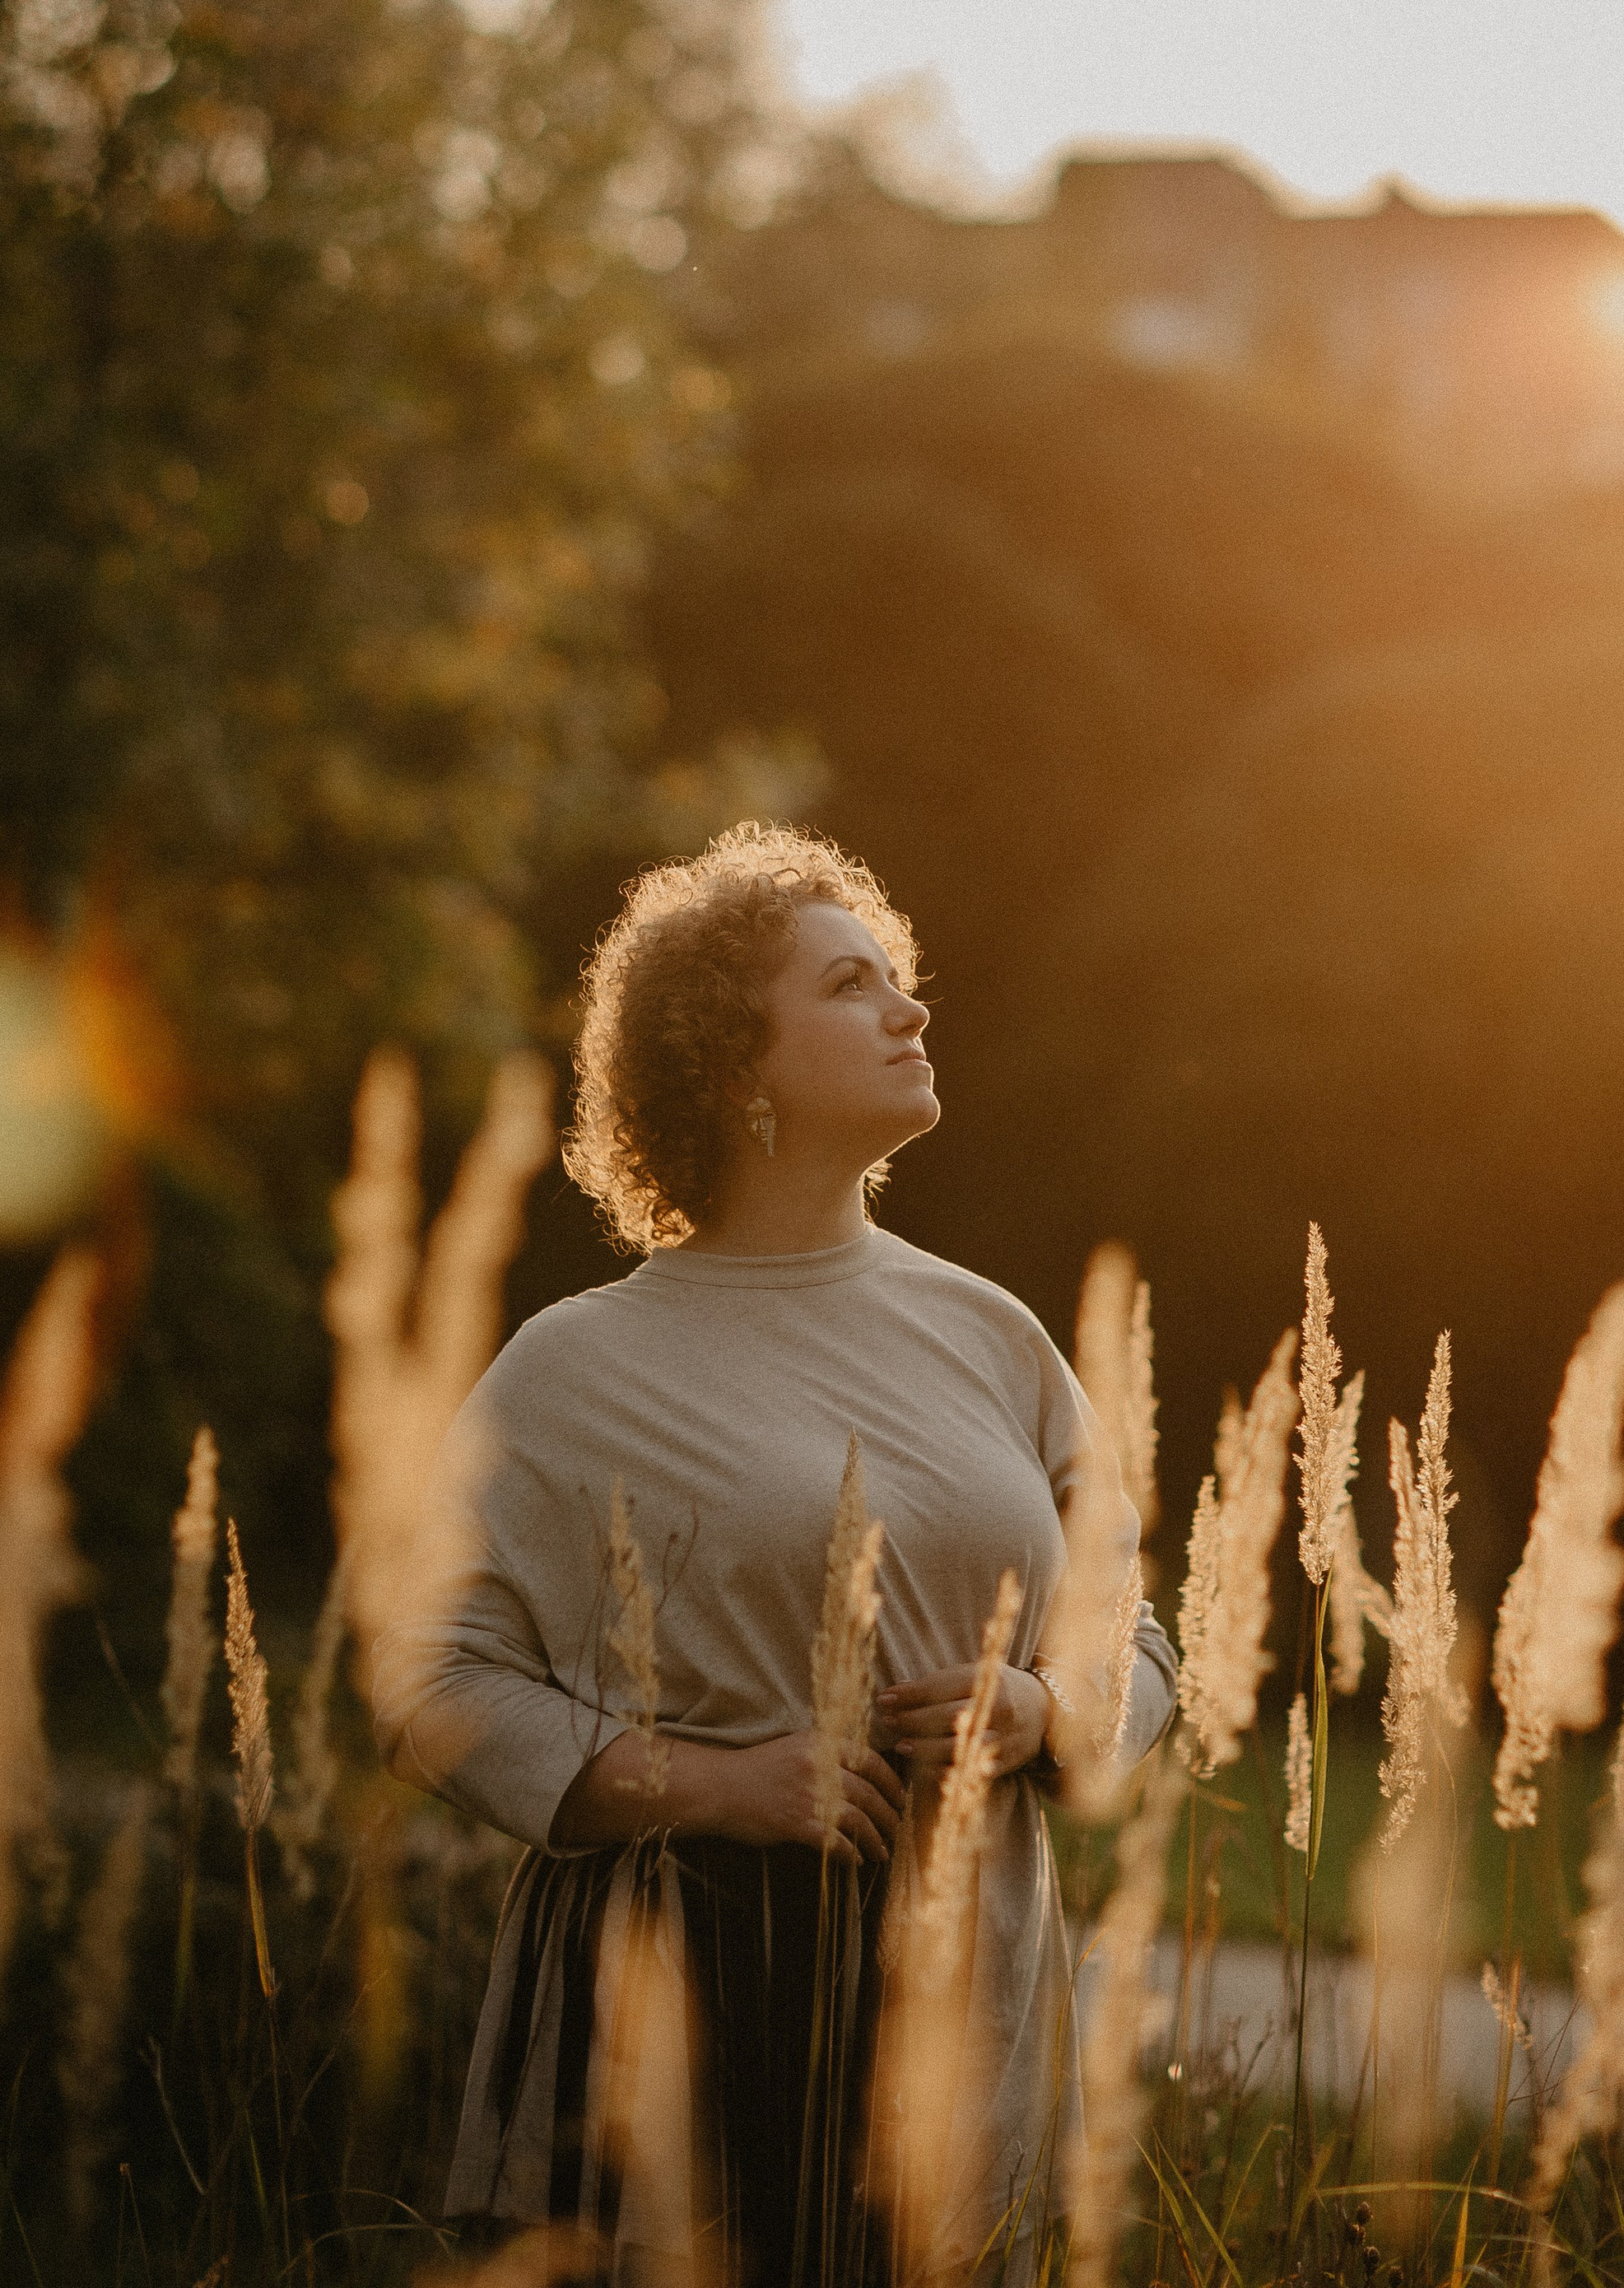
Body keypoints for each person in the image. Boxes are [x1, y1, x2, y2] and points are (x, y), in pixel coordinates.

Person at [370, 822, 1177, 2285]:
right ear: (735, 1064)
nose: (909, 1008)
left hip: (965, 2005)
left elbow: (1136, 1629)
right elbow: (424, 1674)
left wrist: (1044, 1711)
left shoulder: (989, 1331)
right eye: (851, 986)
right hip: (680, 2007)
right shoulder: (577, 1368)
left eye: (900, 980)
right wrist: (715, 1782)